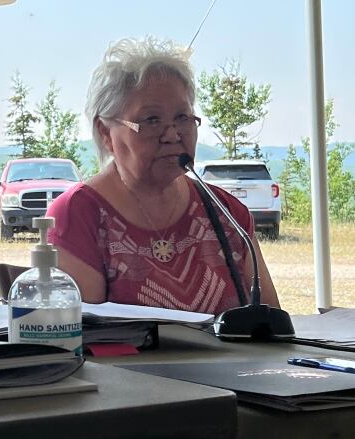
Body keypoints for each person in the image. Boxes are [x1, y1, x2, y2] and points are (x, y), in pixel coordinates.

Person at [46, 37, 280, 315]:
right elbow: (81, 338)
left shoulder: (227, 213)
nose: (172, 135)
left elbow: (271, 329)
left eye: (183, 117)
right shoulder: (77, 214)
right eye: (152, 120)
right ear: (106, 132)